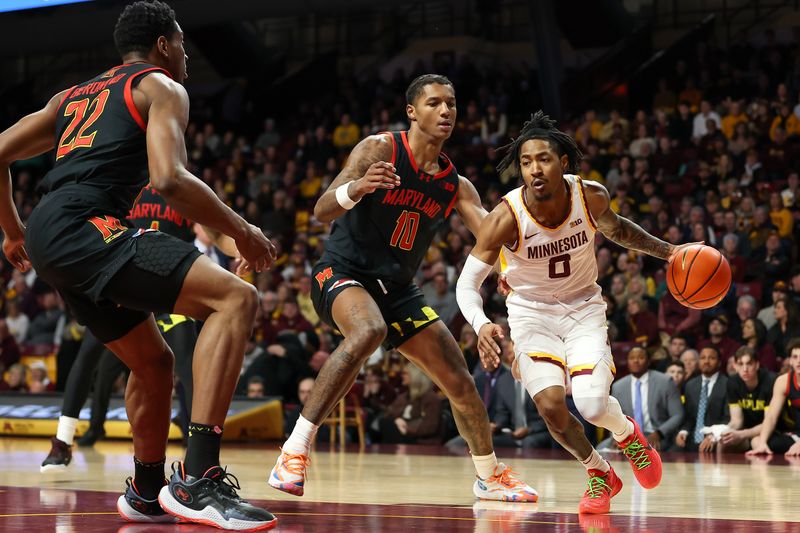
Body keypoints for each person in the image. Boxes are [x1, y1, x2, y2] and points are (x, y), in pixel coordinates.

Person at [0, 2, 276, 529]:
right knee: (236, 297)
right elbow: (168, 178)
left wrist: (15, 232)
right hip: (87, 224)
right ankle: (198, 480)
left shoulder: (71, 97)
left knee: (154, 364)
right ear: (164, 45)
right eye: (182, 44)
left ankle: (146, 491)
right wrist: (245, 230)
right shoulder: (161, 87)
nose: (187, 55)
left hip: (49, 228)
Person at [270, 74, 536, 502]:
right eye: (434, 103)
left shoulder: (455, 185)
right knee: (368, 330)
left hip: (397, 288)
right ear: (411, 111)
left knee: (459, 380)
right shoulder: (380, 149)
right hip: (341, 272)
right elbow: (321, 210)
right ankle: (293, 451)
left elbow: (491, 237)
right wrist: (356, 188)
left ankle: (489, 475)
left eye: (451, 103)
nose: (446, 110)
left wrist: (513, 268)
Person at [455, 111, 693, 514]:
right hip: (531, 314)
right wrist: (481, 325)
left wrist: (669, 252)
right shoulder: (505, 217)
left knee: (592, 404)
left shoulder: (590, 195)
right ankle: (600, 473)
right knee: (549, 405)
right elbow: (465, 285)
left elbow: (618, 230)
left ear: (563, 163)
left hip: (583, 306)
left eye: (543, 159)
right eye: (526, 162)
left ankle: (628, 435)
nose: (534, 169)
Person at [40, 183, 226, 470]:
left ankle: (198, 444)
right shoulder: (126, 183)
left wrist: (239, 243)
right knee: (88, 355)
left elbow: (209, 230)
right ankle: (63, 441)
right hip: (131, 279)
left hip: (170, 282)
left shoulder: (180, 183)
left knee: (188, 364)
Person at [746, 339, 800, 456]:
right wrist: (762, 443)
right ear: (790, 360)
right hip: (795, 434)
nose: (799, 361)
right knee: (757, 441)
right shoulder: (783, 381)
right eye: (795, 357)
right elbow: (771, 416)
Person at [720, 346, 776, 452]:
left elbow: (769, 422)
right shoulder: (733, 382)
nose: (745, 369)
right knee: (722, 441)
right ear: (735, 366)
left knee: (756, 442)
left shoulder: (770, 381)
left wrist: (742, 434)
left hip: (771, 430)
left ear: (757, 365)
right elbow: (737, 421)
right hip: (746, 431)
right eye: (740, 364)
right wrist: (721, 432)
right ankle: (717, 468)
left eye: (749, 364)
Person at [674, 347, 729, 452]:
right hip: (691, 438)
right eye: (703, 358)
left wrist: (714, 435)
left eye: (711, 358)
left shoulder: (728, 384)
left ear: (719, 362)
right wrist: (683, 431)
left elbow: (728, 418)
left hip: (716, 438)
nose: (706, 361)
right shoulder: (690, 385)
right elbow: (689, 416)